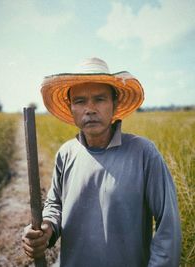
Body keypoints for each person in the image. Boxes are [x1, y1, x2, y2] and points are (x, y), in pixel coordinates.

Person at [22, 57, 181, 267]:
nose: (90, 109)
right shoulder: (66, 153)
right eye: (80, 101)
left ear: (114, 104)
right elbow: (55, 204)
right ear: (71, 108)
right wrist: (47, 227)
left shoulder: (143, 153)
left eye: (99, 99)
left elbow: (168, 226)